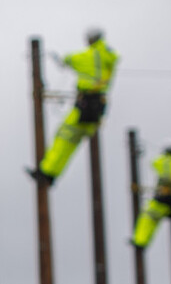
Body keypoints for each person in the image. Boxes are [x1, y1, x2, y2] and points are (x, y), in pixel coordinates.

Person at [28, 28, 120, 187]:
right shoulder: (108, 56)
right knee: (73, 141)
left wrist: (60, 59)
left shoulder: (89, 56)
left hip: (85, 104)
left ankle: (47, 172)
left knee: (63, 137)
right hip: (99, 107)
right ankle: (50, 174)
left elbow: (69, 59)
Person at [132, 145, 171, 247]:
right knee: (154, 220)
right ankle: (143, 241)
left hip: (163, 197)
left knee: (147, 216)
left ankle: (140, 241)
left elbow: (155, 163)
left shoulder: (166, 161)